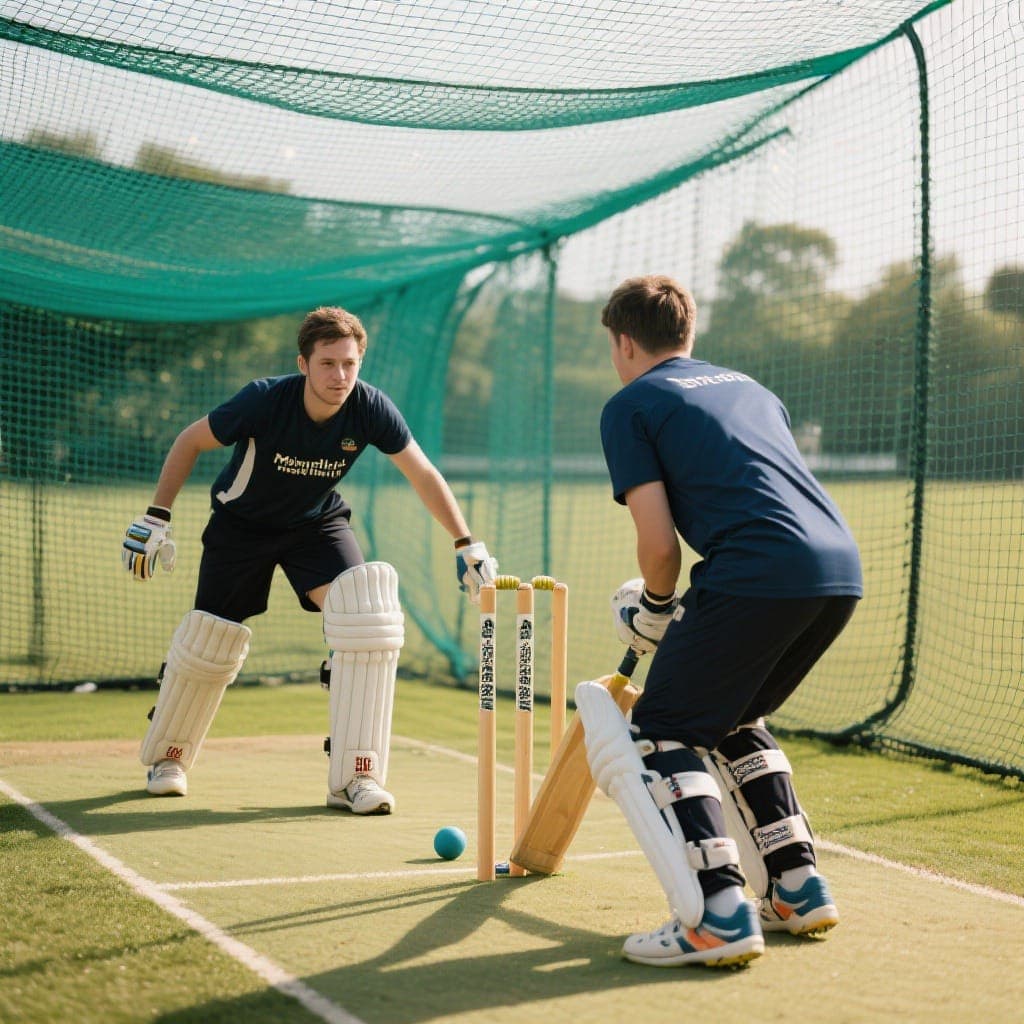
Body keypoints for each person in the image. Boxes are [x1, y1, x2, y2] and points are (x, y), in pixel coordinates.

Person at [122, 305, 497, 814]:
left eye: (349, 363)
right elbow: (190, 440)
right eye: (327, 364)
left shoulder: (369, 407)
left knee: (365, 618)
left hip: (315, 527)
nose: (340, 376)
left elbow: (422, 473)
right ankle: (169, 758)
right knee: (210, 640)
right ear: (303, 363)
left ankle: (355, 778)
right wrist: (157, 517)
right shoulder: (263, 400)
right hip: (241, 528)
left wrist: (465, 542)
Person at [595, 275, 862, 967]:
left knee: (665, 730)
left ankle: (718, 913)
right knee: (734, 717)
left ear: (624, 342)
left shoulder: (632, 403)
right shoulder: (749, 387)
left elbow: (659, 549)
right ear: (688, 334)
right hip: (836, 570)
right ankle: (798, 887)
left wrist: (654, 610)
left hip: (757, 572)